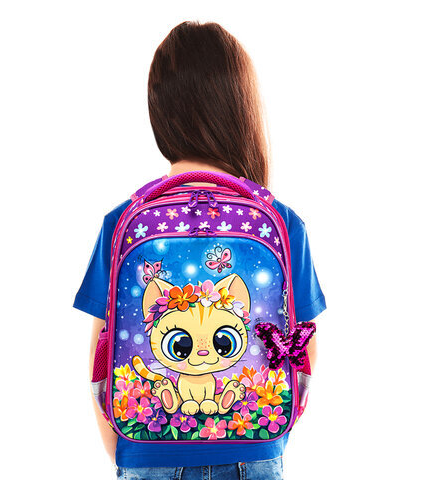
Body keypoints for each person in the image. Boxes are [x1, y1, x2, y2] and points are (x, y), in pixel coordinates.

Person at [73, 20, 326, 480]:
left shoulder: (123, 221)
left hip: (144, 453)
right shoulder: (281, 220)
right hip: (256, 448)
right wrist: (272, 434)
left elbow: (99, 353)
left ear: (159, 111)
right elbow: (305, 341)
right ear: (240, 108)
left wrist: (121, 447)